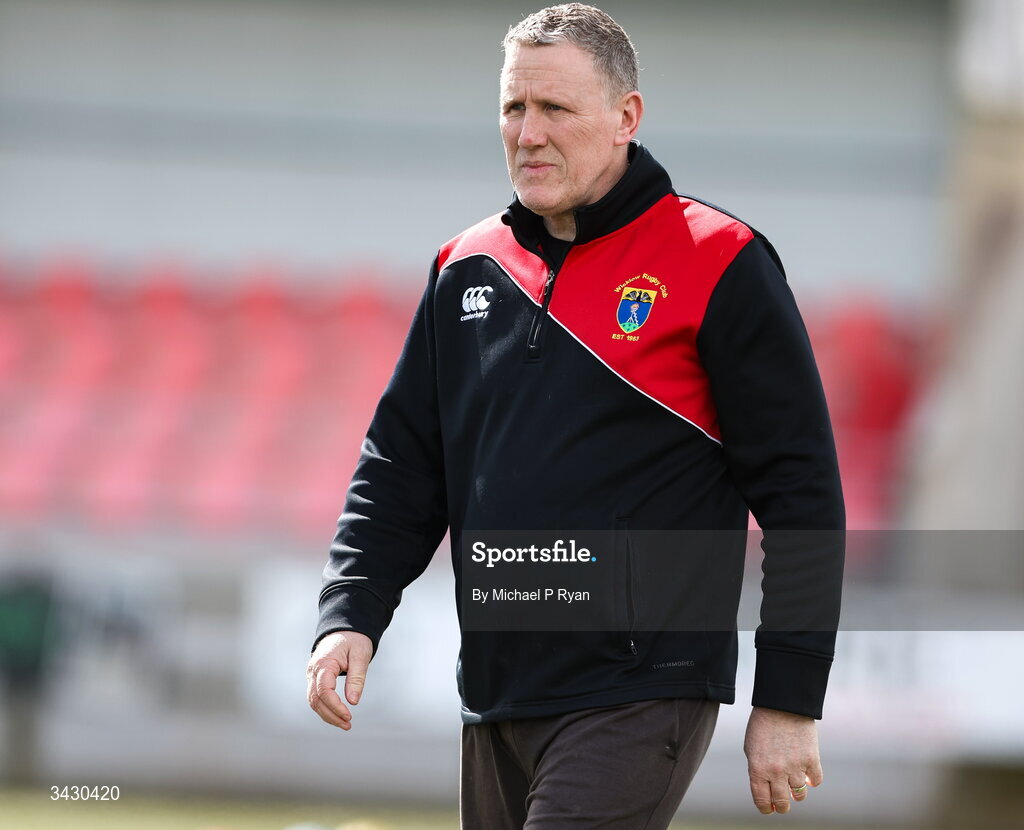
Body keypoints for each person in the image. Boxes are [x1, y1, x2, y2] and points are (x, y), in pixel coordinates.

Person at [307, 4, 844, 827]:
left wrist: (790, 696)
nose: (528, 133)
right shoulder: (464, 267)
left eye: (555, 108)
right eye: (513, 108)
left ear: (626, 117)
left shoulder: (720, 262)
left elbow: (802, 493)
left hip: (641, 689)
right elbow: (402, 466)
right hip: (493, 694)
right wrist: (351, 611)